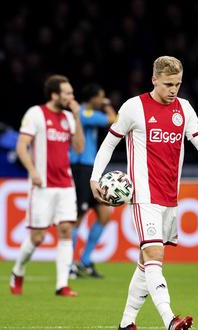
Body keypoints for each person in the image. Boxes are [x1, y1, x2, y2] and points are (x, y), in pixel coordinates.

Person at [90, 56, 198, 330]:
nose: (173, 90)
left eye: (177, 84)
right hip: (143, 196)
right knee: (155, 255)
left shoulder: (185, 109)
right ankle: (170, 320)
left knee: (145, 262)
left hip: (170, 197)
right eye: (168, 84)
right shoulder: (134, 107)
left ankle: (126, 323)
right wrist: (95, 178)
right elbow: (108, 145)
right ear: (154, 80)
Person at [9, 74, 84, 297]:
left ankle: (62, 285)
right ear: (54, 95)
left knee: (65, 230)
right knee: (37, 238)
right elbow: (22, 146)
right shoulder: (35, 114)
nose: (72, 97)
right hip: (42, 186)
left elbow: (79, 148)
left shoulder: (69, 118)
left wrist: (78, 117)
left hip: (65, 185)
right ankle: (18, 270)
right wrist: (33, 172)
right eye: (67, 93)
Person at [69, 83, 117, 279]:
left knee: (105, 213)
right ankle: (69, 263)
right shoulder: (83, 113)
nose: (103, 100)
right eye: (101, 97)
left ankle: (85, 260)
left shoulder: (87, 112)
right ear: (93, 98)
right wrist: (107, 105)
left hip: (91, 170)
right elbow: (114, 120)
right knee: (78, 217)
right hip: (80, 168)